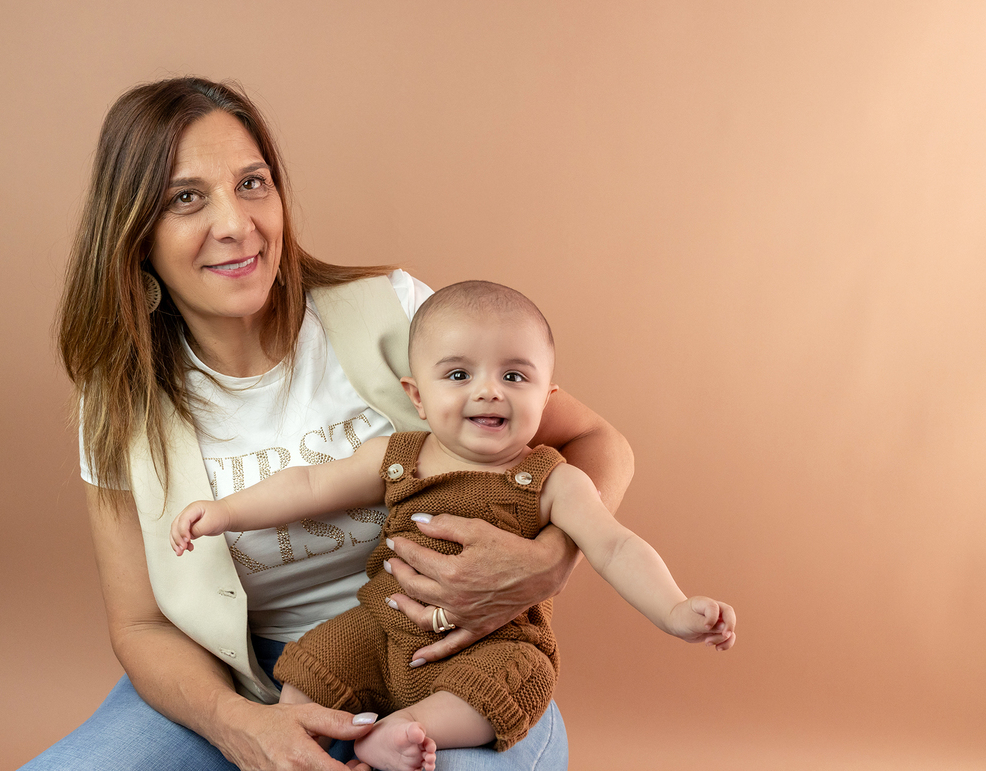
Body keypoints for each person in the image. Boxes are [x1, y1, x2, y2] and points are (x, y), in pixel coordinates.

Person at [28, 76, 635, 771]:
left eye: (252, 183)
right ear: (136, 235)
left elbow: (597, 441)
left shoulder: (393, 313)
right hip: (246, 678)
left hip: (448, 664)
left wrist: (546, 565)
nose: (235, 223)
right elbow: (140, 624)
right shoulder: (119, 400)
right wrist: (238, 725)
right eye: (186, 198)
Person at [171, 281, 736, 771]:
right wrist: (224, 512)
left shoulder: (552, 480)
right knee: (319, 660)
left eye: (515, 375)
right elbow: (308, 486)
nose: (488, 390)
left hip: (489, 643)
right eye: (460, 374)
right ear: (417, 395)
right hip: (383, 627)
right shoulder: (400, 455)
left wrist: (674, 609)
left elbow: (614, 546)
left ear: (548, 398)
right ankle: (298, 736)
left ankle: (409, 730)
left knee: (513, 682)